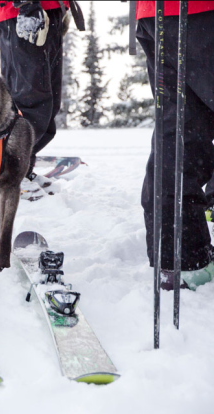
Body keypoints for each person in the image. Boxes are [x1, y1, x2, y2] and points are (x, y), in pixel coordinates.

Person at [135, 1, 214, 290]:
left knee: (181, 130)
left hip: (157, 14)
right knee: (181, 130)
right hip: (203, 14)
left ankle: (184, 260)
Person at [0, 1, 83, 188]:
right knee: (30, 105)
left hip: (47, 11)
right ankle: (3, 177)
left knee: (47, 107)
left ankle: (18, 172)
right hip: (20, 11)